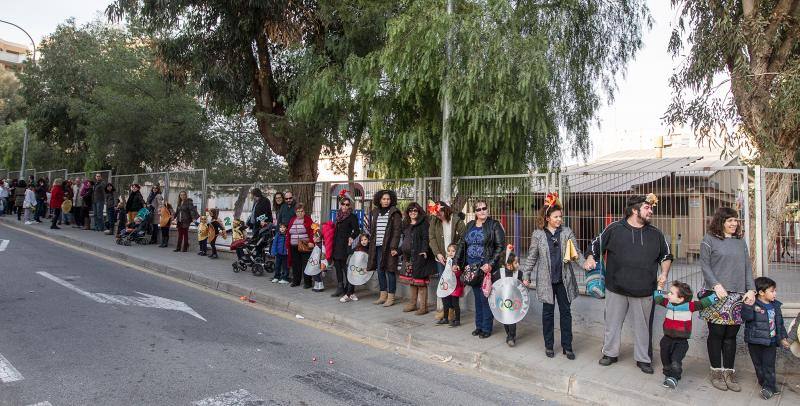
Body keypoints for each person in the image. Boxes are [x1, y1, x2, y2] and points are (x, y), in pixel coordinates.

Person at [584, 193, 673, 374]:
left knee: (643, 328)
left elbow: (666, 255)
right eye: (647, 208)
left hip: (645, 290)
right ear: (634, 210)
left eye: (651, 208)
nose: (651, 211)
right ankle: (610, 353)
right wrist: (590, 257)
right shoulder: (615, 228)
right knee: (612, 324)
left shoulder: (656, 234)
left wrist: (664, 273)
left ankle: (643, 359)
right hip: (615, 287)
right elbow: (595, 244)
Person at [698, 206, 756, 392]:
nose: (734, 223)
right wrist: (715, 284)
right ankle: (716, 372)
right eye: (730, 220)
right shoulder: (709, 240)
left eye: (735, 220)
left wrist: (751, 290)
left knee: (731, 336)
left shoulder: (740, 242)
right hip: (716, 295)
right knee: (716, 335)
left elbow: (747, 266)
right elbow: (705, 265)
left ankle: (729, 373)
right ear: (721, 221)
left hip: (737, 296)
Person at [522, 195, 582, 359]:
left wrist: (587, 265)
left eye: (560, 217)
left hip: (564, 280)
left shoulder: (567, 232)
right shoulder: (538, 235)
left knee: (566, 313)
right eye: (556, 217)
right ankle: (549, 346)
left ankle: (567, 347)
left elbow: (575, 255)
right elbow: (532, 257)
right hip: (546, 281)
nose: (559, 220)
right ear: (547, 218)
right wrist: (526, 274)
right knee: (548, 314)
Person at [453, 200, 506, 339]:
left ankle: (486, 328)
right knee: (477, 298)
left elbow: (500, 247)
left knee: (485, 298)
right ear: (475, 212)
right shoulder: (470, 225)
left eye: (484, 208)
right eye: (478, 209)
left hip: (485, 267)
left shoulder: (493, 225)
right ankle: (479, 326)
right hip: (471, 267)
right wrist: (456, 261)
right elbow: (461, 244)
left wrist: (490, 264)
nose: (482, 211)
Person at [654, 281, 718, 389]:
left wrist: (717, 295)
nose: (668, 294)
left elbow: (704, 303)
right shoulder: (668, 303)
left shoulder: (689, 306)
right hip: (666, 339)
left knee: (675, 361)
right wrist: (659, 286)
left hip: (681, 342)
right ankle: (668, 375)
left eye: (671, 293)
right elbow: (658, 298)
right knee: (665, 360)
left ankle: (674, 377)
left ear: (681, 298)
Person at [743, 277, 790, 400]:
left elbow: (779, 324)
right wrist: (748, 305)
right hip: (754, 341)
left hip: (770, 342)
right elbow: (746, 317)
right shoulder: (753, 303)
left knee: (768, 366)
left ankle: (769, 387)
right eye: (772, 291)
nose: (775, 293)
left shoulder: (775, 306)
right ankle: (765, 383)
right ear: (761, 292)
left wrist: (783, 338)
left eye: (775, 291)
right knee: (758, 365)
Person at [429, 201, 466, 321]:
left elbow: (464, 236)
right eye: (436, 214)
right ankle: (446, 310)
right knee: (443, 284)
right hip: (441, 258)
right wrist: (438, 253)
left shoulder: (456, 220)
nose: (438, 215)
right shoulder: (434, 220)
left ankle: (452, 311)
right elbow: (432, 237)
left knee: (453, 284)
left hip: (454, 259)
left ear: (445, 210)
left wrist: (456, 251)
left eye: (440, 213)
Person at [399, 202, 436, 315]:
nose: (413, 213)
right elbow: (405, 240)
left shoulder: (424, 224)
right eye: (410, 211)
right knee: (412, 281)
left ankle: (423, 307)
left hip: (420, 257)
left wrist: (424, 250)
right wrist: (399, 250)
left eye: (415, 211)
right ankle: (413, 304)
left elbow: (426, 238)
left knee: (421, 283)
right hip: (408, 258)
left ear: (419, 212)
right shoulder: (406, 224)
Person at [367, 190, 402, 307]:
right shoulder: (375, 212)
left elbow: (397, 232)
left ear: (391, 200)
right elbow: (373, 230)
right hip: (377, 246)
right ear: (379, 200)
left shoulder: (394, 213)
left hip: (389, 247)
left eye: (388, 199)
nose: (386, 201)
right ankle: (383, 295)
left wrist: (394, 247)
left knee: (390, 271)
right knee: (380, 270)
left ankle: (391, 297)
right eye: (384, 199)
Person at [331, 193, 360, 300]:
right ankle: (340, 287)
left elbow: (357, 230)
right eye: (343, 204)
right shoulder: (338, 216)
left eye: (347, 205)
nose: (345, 206)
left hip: (345, 245)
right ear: (340, 204)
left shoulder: (352, 217)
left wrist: (352, 237)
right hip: (336, 244)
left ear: (349, 206)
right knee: (337, 266)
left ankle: (350, 290)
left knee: (345, 268)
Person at [286, 203, 314, 288]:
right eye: (298, 211)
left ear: (304, 212)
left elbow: (312, 232)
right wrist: (287, 244)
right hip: (293, 246)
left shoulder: (308, 220)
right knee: (296, 264)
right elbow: (288, 233)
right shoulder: (292, 220)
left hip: (304, 245)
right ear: (295, 212)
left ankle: (307, 283)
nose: (300, 213)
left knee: (306, 264)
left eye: (301, 211)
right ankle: (296, 281)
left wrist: (312, 242)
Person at [437, 244, 463, 327]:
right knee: (445, 302)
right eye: (449, 251)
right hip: (447, 286)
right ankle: (445, 318)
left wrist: (456, 271)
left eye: (453, 251)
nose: (450, 252)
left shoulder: (457, 262)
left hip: (455, 286)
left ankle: (457, 320)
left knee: (455, 304)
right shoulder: (448, 260)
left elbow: (459, 274)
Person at [502, 253, 524, 347]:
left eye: (518, 262)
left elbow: (521, 285)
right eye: (515, 263)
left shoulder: (519, 273)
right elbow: (495, 284)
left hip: (515, 300)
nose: (518, 264)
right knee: (505, 319)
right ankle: (508, 334)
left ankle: (511, 337)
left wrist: (526, 282)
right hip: (503, 300)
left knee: (512, 319)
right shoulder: (500, 273)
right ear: (508, 264)